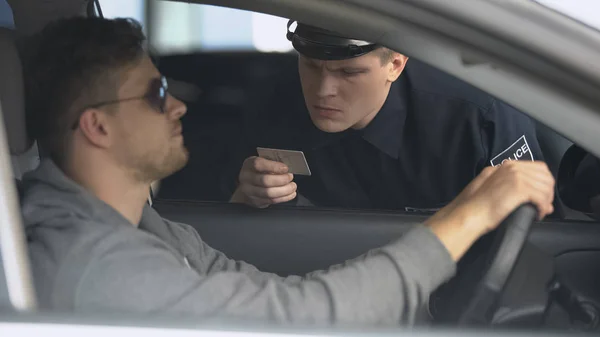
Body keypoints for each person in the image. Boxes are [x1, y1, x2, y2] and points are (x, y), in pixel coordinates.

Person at [20, 16, 555, 325]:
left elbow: (264, 289)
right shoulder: (100, 264)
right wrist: (470, 214)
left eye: (347, 72)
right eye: (158, 93)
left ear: (395, 64)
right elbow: (299, 315)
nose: (180, 106)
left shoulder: (143, 228)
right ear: (97, 127)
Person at [229, 21, 545, 211]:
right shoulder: (273, 104)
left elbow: (537, 225)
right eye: (311, 66)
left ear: (395, 65)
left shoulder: (475, 115)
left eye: (349, 72)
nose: (324, 90)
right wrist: (251, 195)